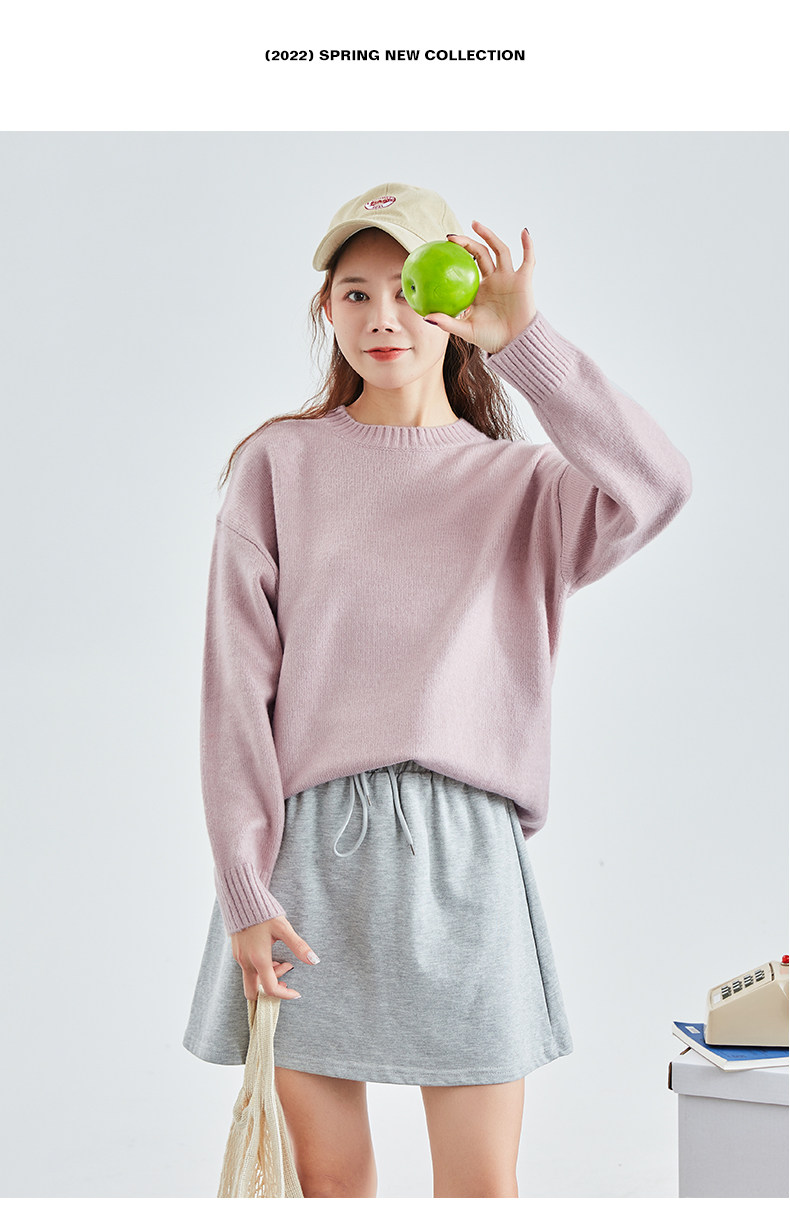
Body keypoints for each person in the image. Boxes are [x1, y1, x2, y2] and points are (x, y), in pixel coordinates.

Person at [183, 181, 693, 1197]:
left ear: (455, 303)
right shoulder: (279, 466)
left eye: (409, 290)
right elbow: (234, 691)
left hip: (465, 861)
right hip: (307, 858)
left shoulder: (524, 487)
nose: (383, 318)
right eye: (356, 293)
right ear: (327, 308)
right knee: (330, 1184)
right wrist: (243, 885)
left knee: (479, 1187)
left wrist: (526, 344)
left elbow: (658, 484)